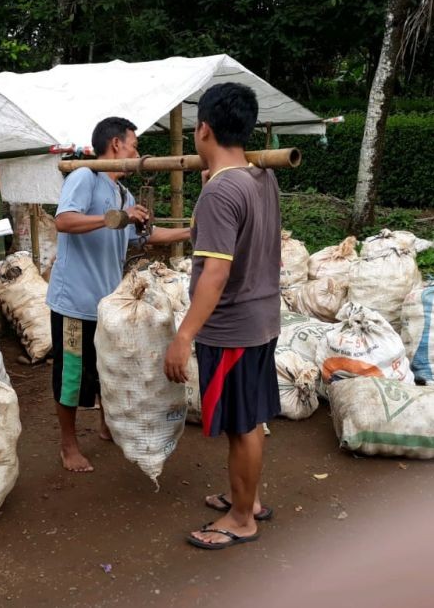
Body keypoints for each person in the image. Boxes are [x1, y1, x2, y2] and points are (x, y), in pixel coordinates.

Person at [163, 82, 282, 549]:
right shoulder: (261, 177)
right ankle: (246, 500)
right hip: (261, 317)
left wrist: (183, 336)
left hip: (232, 326)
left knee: (241, 425)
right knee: (249, 419)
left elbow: (215, 272)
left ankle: (241, 518)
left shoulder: (220, 193)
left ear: (204, 129)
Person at [47, 116, 192, 472]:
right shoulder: (86, 176)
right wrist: (116, 217)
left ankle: (105, 424)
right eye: (134, 143)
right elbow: (63, 220)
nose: (136, 150)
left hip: (109, 305)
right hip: (75, 303)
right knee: (71, 377)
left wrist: (190, 231)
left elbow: (141, 238)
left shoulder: (122, 193)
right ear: (115, 145)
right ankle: (68, 446)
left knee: (106, 368)